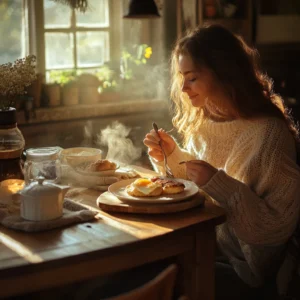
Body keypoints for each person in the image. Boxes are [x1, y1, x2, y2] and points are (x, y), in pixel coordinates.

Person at [143, 24, 300, 300]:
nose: (183, 88)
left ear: (222, 73)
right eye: (181, 77)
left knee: (150, 279)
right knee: (139, 267)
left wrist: (219, 183)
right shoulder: (204, 121)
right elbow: (201, 189)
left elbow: (275, 229)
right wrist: (173, 157)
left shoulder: (269, 136)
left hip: (244, 272)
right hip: (200, 245)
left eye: (191, 78)